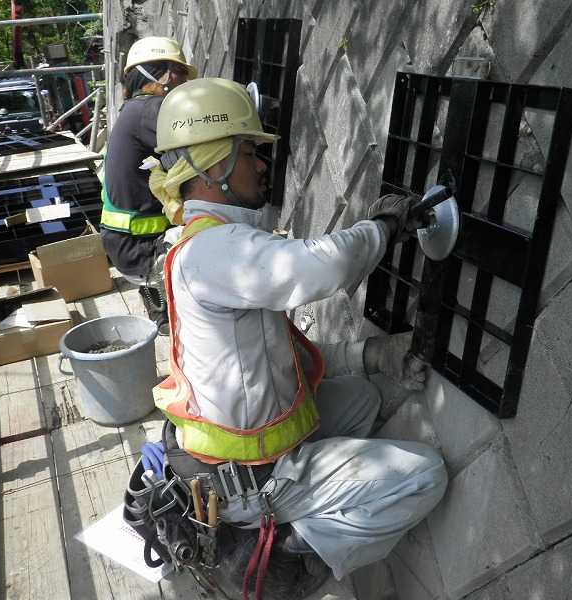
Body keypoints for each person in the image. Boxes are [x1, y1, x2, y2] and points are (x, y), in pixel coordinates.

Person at [145, 78, 448, 587]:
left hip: (232, 452)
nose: (262, 165)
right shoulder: (212, 252)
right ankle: (294, 550)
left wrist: (370, 355)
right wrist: (383, 227)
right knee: (425, 476)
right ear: (213, 166)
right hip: (243, 482)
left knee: (362, 400)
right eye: (250, 154)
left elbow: (274, 357)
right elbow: (317, 270)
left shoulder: (202, 246)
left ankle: (309, 491)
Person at [99, 36, 196, 335]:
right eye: (178, 72)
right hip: (143, 250)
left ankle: (160, 301)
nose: (183, 80)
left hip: (127, 248)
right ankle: (168, 305)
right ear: (157, 73)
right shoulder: (151, 110)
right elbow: (197, 149)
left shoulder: (134, 110)